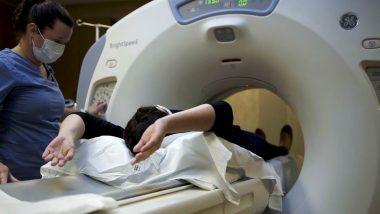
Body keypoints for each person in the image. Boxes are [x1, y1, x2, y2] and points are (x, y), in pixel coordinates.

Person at [0, 0, 105, 184]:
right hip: (14, 179)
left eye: (64, 43)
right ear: (33, 30)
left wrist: (86, 114)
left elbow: (50, 111)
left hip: (46, 174)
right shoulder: (5, 66)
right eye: (56, 41)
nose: (60, 49)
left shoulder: (45, 69)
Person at [43, 101, 289, 167]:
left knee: (269, 150)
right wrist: (67, 135)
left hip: (243, 140)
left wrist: (165, 125)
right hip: (164, 120)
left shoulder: (183, 127)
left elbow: (223, 109)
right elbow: (84, 119)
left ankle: (282, 148)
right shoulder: (130, 136)